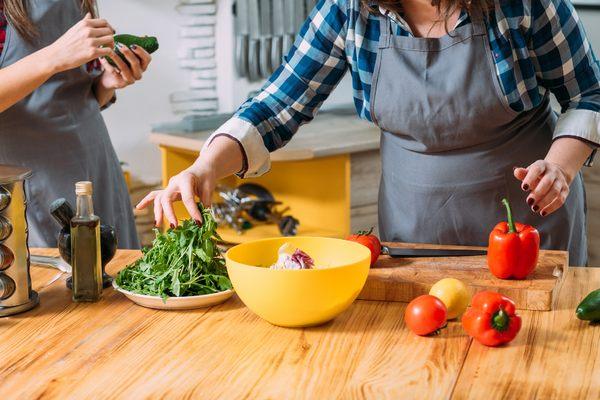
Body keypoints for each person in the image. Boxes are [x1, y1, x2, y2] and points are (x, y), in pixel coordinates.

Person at [139, 0, 599, 265]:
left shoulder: (523, 5)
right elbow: (277, 105)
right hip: (414, 224)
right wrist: (205, 166)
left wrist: (560, 167)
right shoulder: (348, 9)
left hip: (528, 220)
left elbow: (589, 94)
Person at [0, 0, 151, 248]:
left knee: (118, 273)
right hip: (34, 180)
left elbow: (77, 93)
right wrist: (54, 56)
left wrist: (107, 82)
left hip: (98, 166)